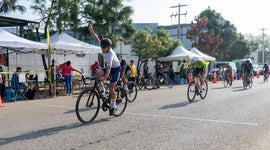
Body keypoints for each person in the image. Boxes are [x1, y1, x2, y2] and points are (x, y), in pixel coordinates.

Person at [89, 24, 121, 115]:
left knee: (111, 87)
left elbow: (108, 71)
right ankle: (102, 90)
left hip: (116, 69)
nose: (102, 49)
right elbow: (97, 39)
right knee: (97, 74)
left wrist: (102, 80)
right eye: (101, 47)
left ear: (109, 47)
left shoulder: (110, 55)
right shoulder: (103, 46)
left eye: (104, 47)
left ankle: (114, 106)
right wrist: (91, 31)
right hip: (108, 67)